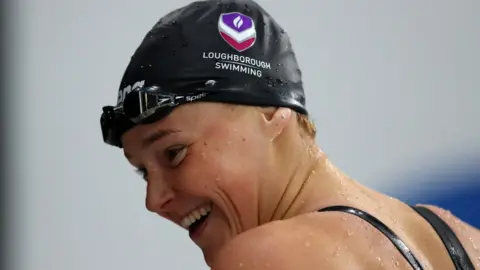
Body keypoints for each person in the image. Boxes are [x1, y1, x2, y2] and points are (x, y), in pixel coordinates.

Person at [99, 0, 480, 269]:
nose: (154, 200)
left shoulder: (268, 256)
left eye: (174, 153)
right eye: (144, 172)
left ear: (272, 113)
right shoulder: (463, 239)